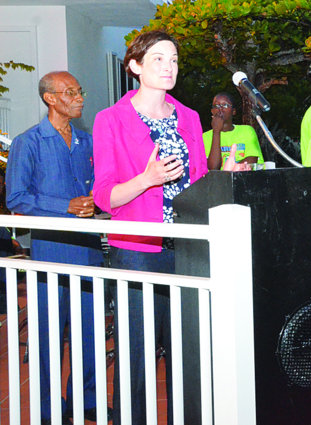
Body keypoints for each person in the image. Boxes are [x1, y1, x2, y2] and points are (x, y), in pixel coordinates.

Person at [92, 30, 212, 424]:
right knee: (136, 353)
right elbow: (104, 198)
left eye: (174, 59)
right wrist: (147, 179)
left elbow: (199, 182)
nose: (168, 66)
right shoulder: (110, 120)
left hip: (189, 248)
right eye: (158, 58)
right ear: (135, 66)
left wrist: (223, 177)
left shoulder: (190, 118)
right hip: (138, 252)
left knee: (187, 351)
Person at [6, 71, 102, 424]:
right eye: (70, 92)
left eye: (80, 91)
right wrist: (65, 205)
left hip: (89, 248)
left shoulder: (86, 142)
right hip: (51, 251)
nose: (79, 98)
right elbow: (16, 197)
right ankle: (49, 409)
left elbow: (99, 190)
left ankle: (86, 400)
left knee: (89, 332)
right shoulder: (28, 142)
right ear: (50, 98)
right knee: (49, 333)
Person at [204, 91, 264, 170]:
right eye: (216, 105)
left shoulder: (247, 131)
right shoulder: (205, 137)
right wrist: (216, 131)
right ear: (212, 111)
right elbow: (213, 167)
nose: (220, 109)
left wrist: (229, 170)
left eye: (225, 105)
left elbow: (252, 160)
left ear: (233, 111)